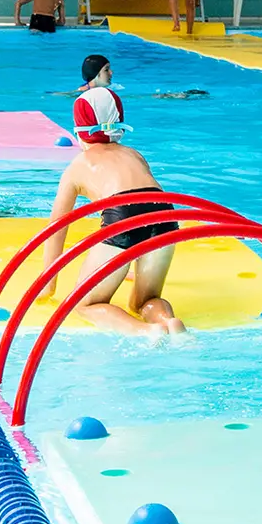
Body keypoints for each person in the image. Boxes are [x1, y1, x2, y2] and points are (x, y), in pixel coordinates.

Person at [39, 56, 186, 335]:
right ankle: (167, 321)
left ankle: (147, 333)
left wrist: (49, 284)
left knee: (85, 304)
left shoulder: (77, 167)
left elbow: (57, 228)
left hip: (124, 214)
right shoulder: (134, 154)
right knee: (144, 301)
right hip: (166, 214)